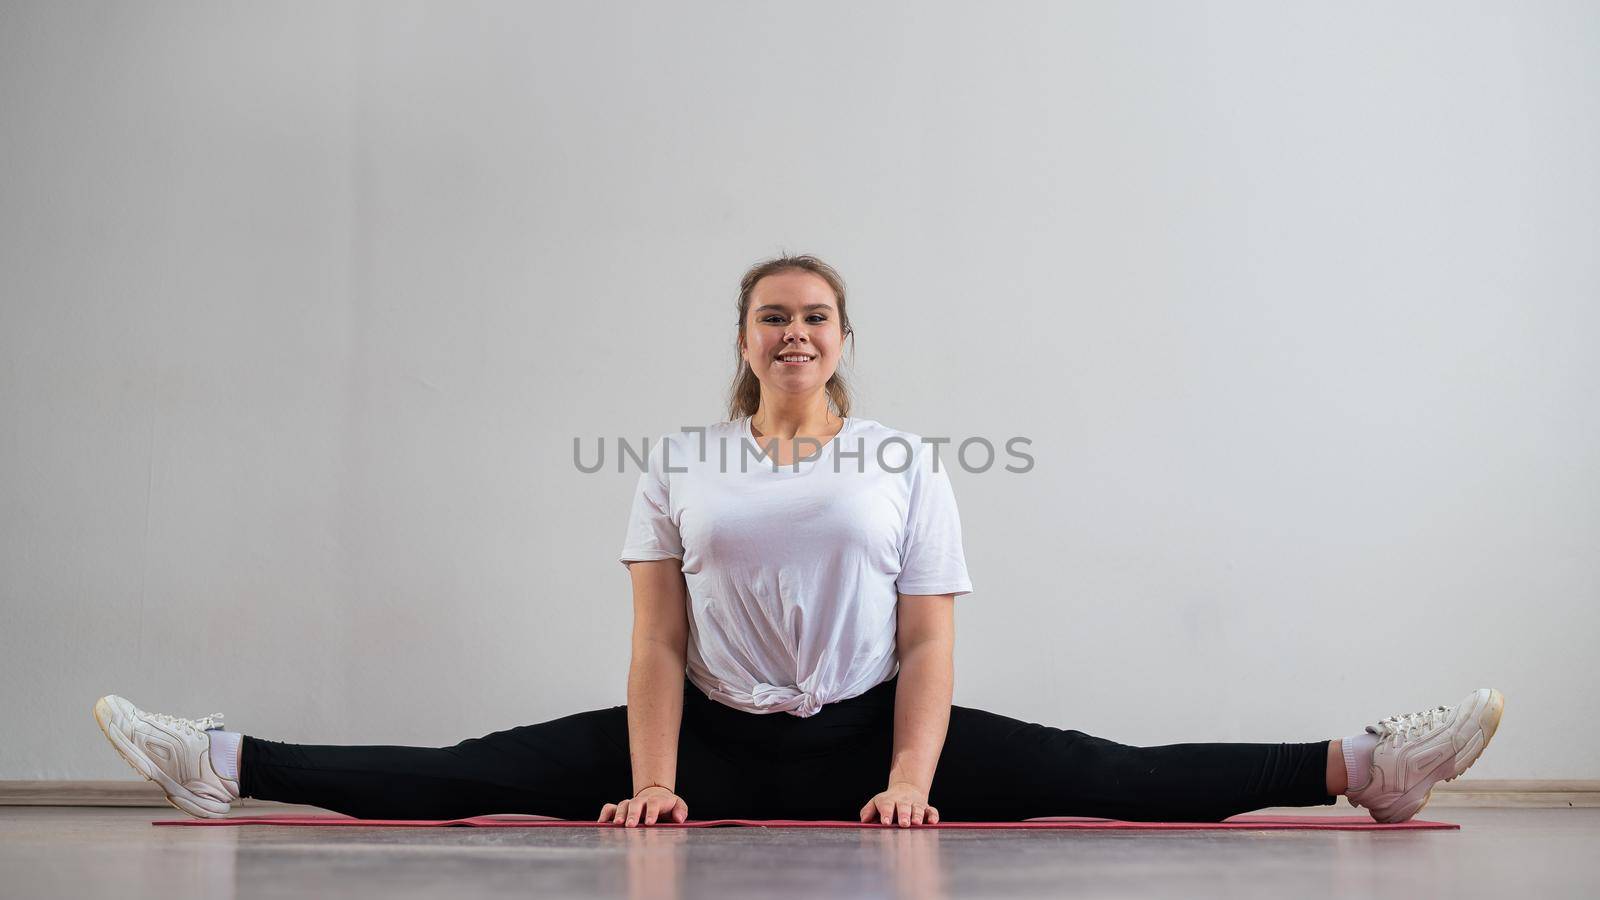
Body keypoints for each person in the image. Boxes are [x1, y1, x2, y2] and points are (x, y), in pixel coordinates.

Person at [92, 254, 1504, 828]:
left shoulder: (901, 461)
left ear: (840, 344)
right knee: (481, 776)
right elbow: (653, 638)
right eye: (771, 314)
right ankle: (220, 765)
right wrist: (652, 782)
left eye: (815, 316)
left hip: (877, 732)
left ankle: (1368, 767)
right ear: (746, 342)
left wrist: (906, 775)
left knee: (1104, 772)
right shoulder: (682, 459)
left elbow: (932, 636)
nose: (793, 332)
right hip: (704, 734)